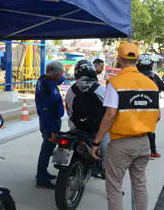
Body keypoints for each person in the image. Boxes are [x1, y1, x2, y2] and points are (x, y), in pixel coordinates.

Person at [87, 43, 160, 210]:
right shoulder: (151, 84)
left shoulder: (116, 83)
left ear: (118, 59)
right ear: (136, 59)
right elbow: (158, 115)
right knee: (139, 185)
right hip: (144, 142)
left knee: (114, 187)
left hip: (121, 143)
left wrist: (97, 141)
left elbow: (110, 114)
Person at [65, 60, 109, 178]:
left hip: (75, 128)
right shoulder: (102, 89)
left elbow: (69, 111)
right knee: (108, 148)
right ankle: (105, 171)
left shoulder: (70, 90)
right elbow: (109, 113)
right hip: (96, 131)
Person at [35, 61, 65, 189]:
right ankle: (41, 179)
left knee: (46, 149)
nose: (62, 78)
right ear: (56, 75)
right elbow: (47, 112)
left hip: (48, 121)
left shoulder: (44, 80)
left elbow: (59, 80)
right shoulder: (48, 89)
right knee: (46, 150)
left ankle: (43, 173)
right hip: (50, 123)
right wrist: (52, 130)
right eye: (60, 75)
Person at [136, 53, 164, 159]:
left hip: (134, 106)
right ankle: (153, 151)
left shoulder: (133, 76)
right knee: (150, 129)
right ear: (151, 64)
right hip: (151, 107)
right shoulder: (154, 76)